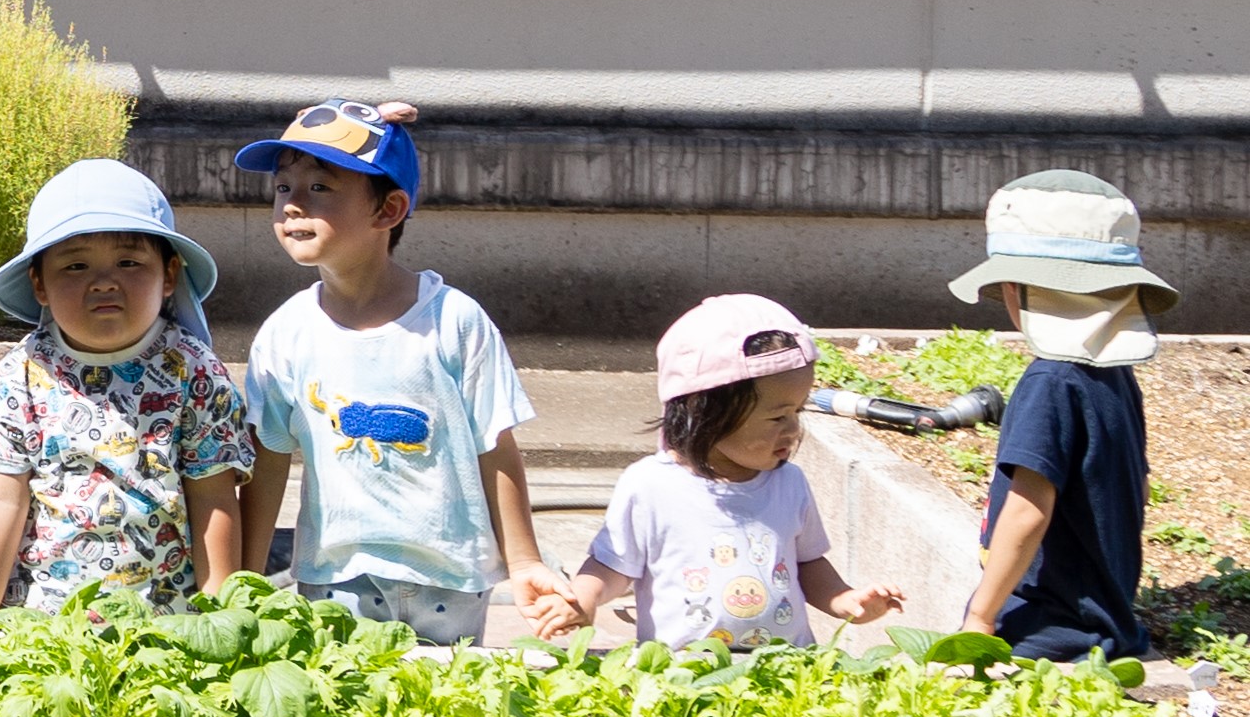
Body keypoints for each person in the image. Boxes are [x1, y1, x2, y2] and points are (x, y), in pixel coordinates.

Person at [231, 100, 565, 645]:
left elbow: (495, 446)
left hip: (451, 579)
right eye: (283, 188)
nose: (292, 206)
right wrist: (244, 581)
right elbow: (268, 458)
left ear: (388, 211)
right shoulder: (285, 333)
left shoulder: (454, 320)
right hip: (334, 578)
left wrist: (524, 562)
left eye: (319, 188)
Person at [0, 159, 255, 617]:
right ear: (39, 283)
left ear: (169, 274)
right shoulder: (21, 377)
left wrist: (220, 615)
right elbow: (0, 497)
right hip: (47, 622)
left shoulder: (193, 371)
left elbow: (213, 496)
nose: (104, 281)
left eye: (129, 262)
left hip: (165, 622)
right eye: (75, 266)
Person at [536, 293, 908, 647]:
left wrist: (845, 601)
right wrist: (582, 599)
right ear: (704, 410)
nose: (793, 429)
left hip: (784, 668)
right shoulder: (651, 485)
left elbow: (808, 562)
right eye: (778, 416)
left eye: (798, 411)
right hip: (681, 671)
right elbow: (613, 565)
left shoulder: (788, 483)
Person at [950, 171, 1175, 661]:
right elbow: (1137, 491)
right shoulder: (1116, 377)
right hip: (1109, 617)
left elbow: (1028, 512)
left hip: (1050, 624)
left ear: (1016, 288)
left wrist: (981, 619)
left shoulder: (1048, 384)